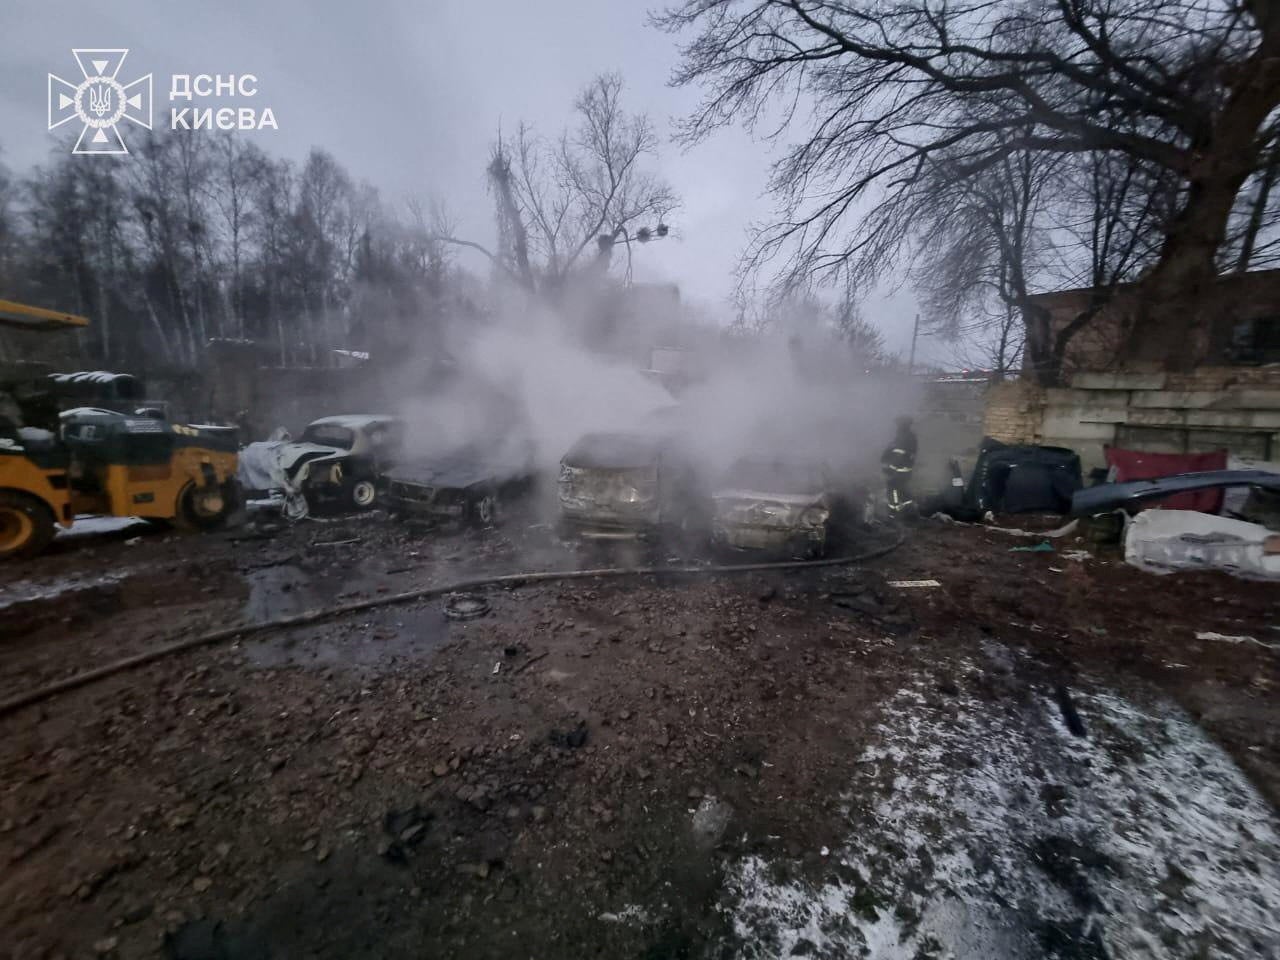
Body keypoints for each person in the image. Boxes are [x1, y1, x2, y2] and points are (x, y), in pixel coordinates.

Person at [880, 415, 918, 517]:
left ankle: (894, 513)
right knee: (902, 490)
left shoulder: (904, 437)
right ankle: (909, 511)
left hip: (899, 470)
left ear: (903, 425)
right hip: (904, 470)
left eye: (898, 424)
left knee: (893, 488)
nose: (897, 426)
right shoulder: (909, 437)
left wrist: (890, 468)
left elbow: (898, 455)